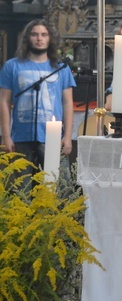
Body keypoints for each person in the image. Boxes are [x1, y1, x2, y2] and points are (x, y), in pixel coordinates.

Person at [0, 20, 76, 182]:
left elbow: (67, 103)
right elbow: (4, 102)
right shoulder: (12, 66)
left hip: (52, 137)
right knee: (21, 188)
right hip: (20, 136)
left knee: (57, 186)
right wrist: (6, 136)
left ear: (50, 39)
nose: (39, 39)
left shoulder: (61, 68)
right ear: (27, 38)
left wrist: (68, 135)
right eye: (34, 34)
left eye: (44, 34)